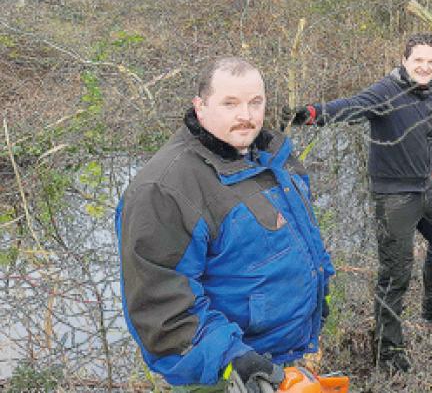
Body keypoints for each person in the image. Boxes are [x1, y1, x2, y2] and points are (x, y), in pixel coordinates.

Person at [116, 57, 334, 392]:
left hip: (281, 362)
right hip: (225, 375)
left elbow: (300, 240)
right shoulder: (165, 188)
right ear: (200, 107)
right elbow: (161, 310)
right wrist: (235, 359)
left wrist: (318, 295)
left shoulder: (272, 157)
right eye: (229, 104)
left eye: (255, 102)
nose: (246, 115)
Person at [283, 33, 432, 373]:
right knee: (396, 273)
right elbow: (351, 106)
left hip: (426, 189)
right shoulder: (387, 91)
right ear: (405, 61)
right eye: (419, 60)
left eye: (431, 62)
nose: (425, 67)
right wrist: (311, 113)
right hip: (394, 197)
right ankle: (388, 351)